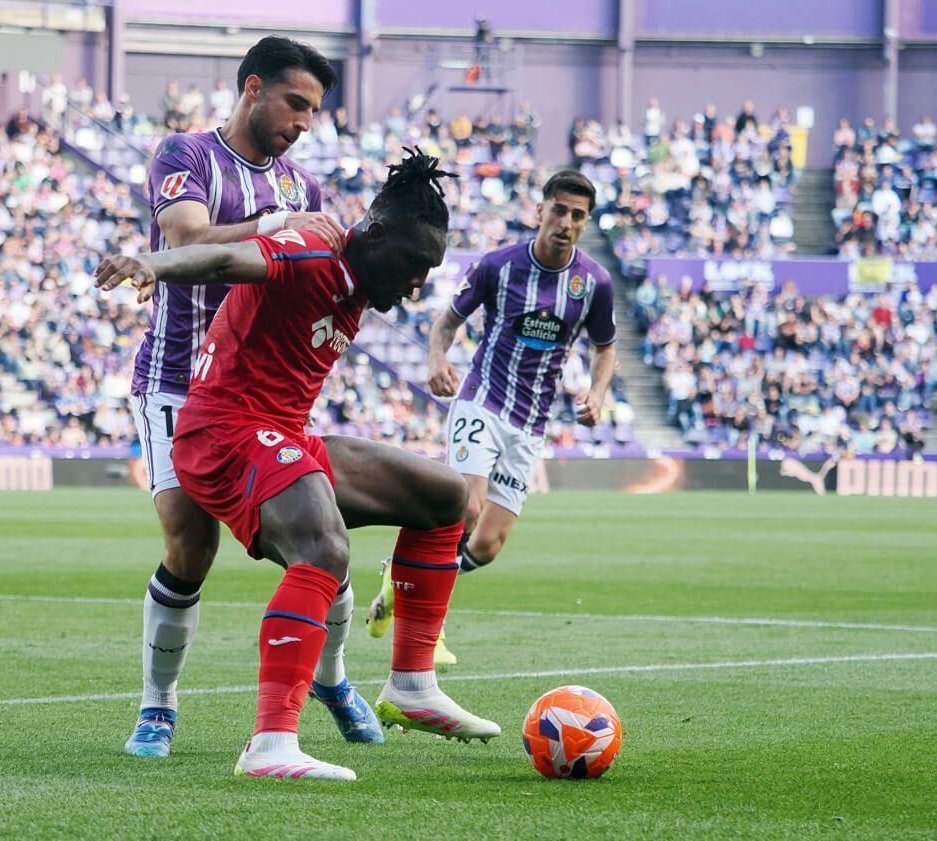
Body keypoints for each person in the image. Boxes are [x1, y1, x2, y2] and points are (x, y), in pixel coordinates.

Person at [96, 149, 500, 781]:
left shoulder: (361, 279)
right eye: (416, 264)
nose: (419, 284)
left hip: (280, 432)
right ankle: (270, 744)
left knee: (449, 497)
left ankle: (412, 684)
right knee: (321, 546)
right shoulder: (314, 250)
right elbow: (230, 259)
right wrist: (151, 262)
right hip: (222, 434)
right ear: (374, 234)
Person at [122, 36, 366, 761]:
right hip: (175, 378)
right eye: (295, 103)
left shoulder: (304, 187)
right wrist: (272, 227)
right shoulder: (185, 155)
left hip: (260, 395)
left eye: (314, 111)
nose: (303, 122)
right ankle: (158, 705)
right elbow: (187, 238)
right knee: (189, 544)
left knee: (319, 537)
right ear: (252, 88)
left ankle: (332, 676)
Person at [366, 170, 617, 664]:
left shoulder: (594, 283)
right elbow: (447, 322)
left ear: (586, 223)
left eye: (578, 216)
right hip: (482, 399)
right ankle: (428, 626)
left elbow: (604, 348)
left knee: (489, 543)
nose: (566, 222)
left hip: (530, 423)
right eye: (560, 210)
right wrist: (437, 360)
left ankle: (400, 587)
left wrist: (597, 391)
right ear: (541, 209)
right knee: (467, 509)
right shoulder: (498, 266)